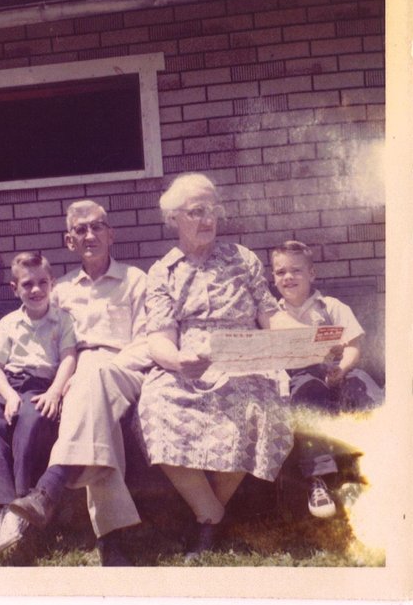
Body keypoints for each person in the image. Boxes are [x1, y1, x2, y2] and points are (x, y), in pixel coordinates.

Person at [136, 172, 300, 559]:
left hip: (245, 358)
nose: (208, 219)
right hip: (189, 363)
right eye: (196, 211)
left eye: (213, 210)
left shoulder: (241, 258)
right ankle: (210, 510)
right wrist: (178, 360)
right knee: (155, 405)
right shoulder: (163, 271)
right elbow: (158, 337)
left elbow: (270, 314)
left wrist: (305, 337)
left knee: (260, 403)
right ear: (174, 219)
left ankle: (208, 520)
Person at [2, 199, 151, 566]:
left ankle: (50, 487)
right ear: (70, 240)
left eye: (97, 226)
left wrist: (103, 366)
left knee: (95, 373)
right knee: (93, 402)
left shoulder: (136, 281)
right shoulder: (62, 289)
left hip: (124, 369)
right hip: (76, 376)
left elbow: (148, 341)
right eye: (80, 230)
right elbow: (37, 338)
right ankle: (111, 539)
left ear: (110, 234)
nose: (90, 235)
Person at [0, 252, 76, 561]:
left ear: (52, 284)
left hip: (41, 386)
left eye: (42, 282)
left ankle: (20, 504)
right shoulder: (8, 323)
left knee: (30, 421)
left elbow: (69, 357)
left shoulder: (63, 319)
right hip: (9, 384)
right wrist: (8, 394)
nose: (36, 290)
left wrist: (56, 392)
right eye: (27, 284)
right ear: (14, 287)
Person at [271, 240, 384, 518]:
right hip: (301, 377)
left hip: (337, 371)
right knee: (307, 394)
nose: (288, 277)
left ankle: (381, 466)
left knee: (365, 388)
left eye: (296, 271)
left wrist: (342, 369)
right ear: (273, 278)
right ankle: (318, 478)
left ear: (312, 274)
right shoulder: (273, 315)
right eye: (280, 272)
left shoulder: (331, 306)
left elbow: (354, 346)